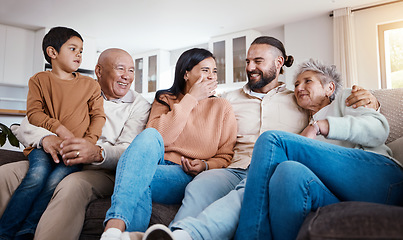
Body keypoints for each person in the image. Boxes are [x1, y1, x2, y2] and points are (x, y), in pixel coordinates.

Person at [141, 37, 381, 240]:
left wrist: (371, 100)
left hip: (272, 170)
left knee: (247, 190)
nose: (250, 67)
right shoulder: (227, 99)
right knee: (201, 184)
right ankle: (175, 233)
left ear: (278, 63)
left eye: (258, 61)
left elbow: (328, 105)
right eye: (247, 61)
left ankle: (188, 235)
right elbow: (194, 118)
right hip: (233, 169)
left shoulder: (298, 98)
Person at [234, 58, 403, 240]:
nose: (298, 88)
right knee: (288, 171)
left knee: (271, 139)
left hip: (381, 180)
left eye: (307, 81)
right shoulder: (302, 129)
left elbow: (379, 129)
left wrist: (320, 125)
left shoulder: (345, 99)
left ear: (329, 88)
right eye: (296, 84)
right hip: (340, 196)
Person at [0, 48, 151, 240]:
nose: (127, 76)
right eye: (120, 69)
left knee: (72, 185)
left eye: (131, 70)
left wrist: (97, 153)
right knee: (6, 174)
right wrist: (46, 139)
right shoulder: (75, 87)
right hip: (58, 158)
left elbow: (129, 152)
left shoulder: (140, 105)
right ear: (99, 71)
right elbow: (28, 123)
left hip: (101, 170)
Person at [100, 48, 238, 240]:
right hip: (155, 162)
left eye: (214, 71)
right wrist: (191, 99)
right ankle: (118, 232)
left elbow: (225, 155)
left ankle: (116, 230)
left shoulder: (222, 107)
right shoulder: (165, 99)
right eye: (205, 70)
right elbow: (159, 137)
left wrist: (206, 165)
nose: (211, 76)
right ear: (186, 73)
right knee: (148, 137)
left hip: (183, 173)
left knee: (139, 175)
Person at [0, 26, 106, 240]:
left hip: (74, 152)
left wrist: (87, 143)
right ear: (52, 52)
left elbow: (98, 117)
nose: (79, 54)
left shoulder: (90, 85)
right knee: (36, 176)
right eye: (74, 48)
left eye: (82, 50)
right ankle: (5, 232)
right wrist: (59, 129)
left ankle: (27, 230)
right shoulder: (39, 80)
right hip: (43, 147)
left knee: (54, 181)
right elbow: (34, 113)